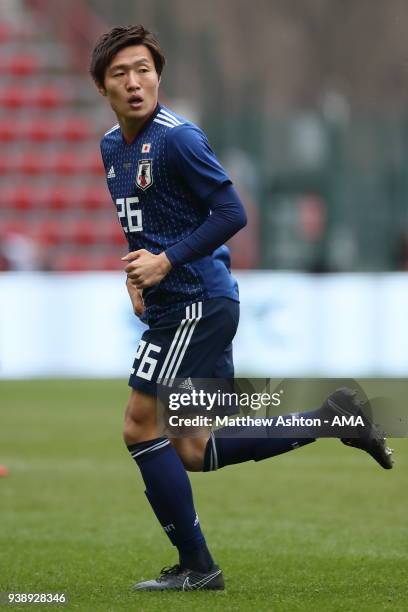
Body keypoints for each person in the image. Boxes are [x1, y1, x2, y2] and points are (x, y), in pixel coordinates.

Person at [90, 25, 393, 592]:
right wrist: (137, 272)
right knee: (192, 448)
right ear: (102, 87)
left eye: (144, 70)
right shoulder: (112, 147)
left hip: (196, 301)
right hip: (180, 300)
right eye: (120, 74)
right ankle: (334, 417)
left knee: (139, 426)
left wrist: (166, 264)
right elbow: (148, 222)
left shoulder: (178, 139)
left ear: (159, 76)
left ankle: (200, 569)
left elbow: (232, 212)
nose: (135, 83)